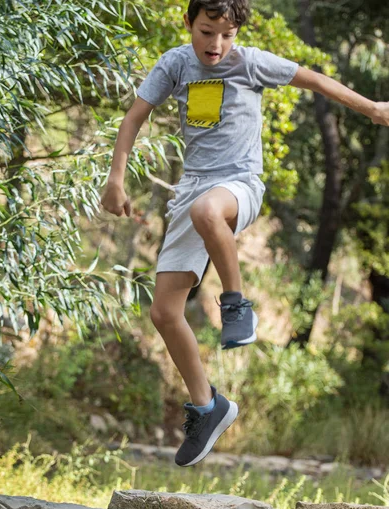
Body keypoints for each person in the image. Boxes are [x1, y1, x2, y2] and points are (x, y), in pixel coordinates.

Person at [100, 0, 389, 468]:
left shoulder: (251, 62)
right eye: (207, 32)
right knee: (164, 311)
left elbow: (313, 79)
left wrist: (372, 107)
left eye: (226, 35)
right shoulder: (174, 63)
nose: (216, 44)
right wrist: (116, 177)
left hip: (238, 185)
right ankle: (207, 406)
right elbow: (134, 117)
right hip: (193, 189)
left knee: (209, 211)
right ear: (189, 24)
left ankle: (235, 304)